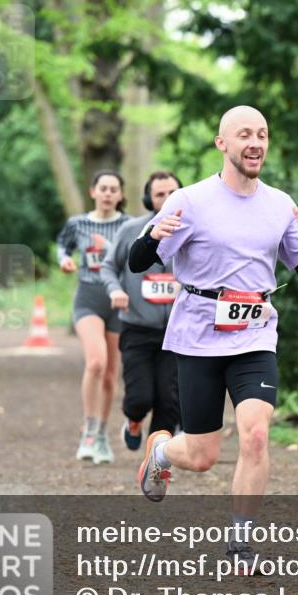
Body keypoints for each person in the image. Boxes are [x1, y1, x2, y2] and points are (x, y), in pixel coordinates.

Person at [129, 106, 298, 568]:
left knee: (255, 434)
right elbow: (140, 262)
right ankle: (161, 451)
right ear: (222, 143)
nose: (255, 142)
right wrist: (153, 236)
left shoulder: (280, 204)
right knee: (201, 456)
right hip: (198, 336)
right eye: (244, 135)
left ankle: (240, 542)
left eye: (262, 134)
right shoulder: (190, 201)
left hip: (256, 334)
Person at [100, 170, 183, 451]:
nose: (167, 199)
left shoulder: (193, 232)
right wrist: (115, 290)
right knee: (140, 398)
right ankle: (133, 420)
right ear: (149, 199)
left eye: (172, 193)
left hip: (176, 332)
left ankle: (156, 459)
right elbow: (109, 266)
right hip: (137, 329)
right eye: (160, 194)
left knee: (169, 401)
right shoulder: (130, 230)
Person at [56, 170, 131, 464]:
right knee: (96, 362)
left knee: (111, 377)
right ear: (93, 192)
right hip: (88, 297)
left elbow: (137, 256)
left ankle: (101, 433)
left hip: (118, 300)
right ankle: (87, 430)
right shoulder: (78, 224)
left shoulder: (128, 225)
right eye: (103, 188)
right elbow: (63, 245)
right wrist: (64, 259)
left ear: (121, 195)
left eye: (114, 189)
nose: (109, 193)